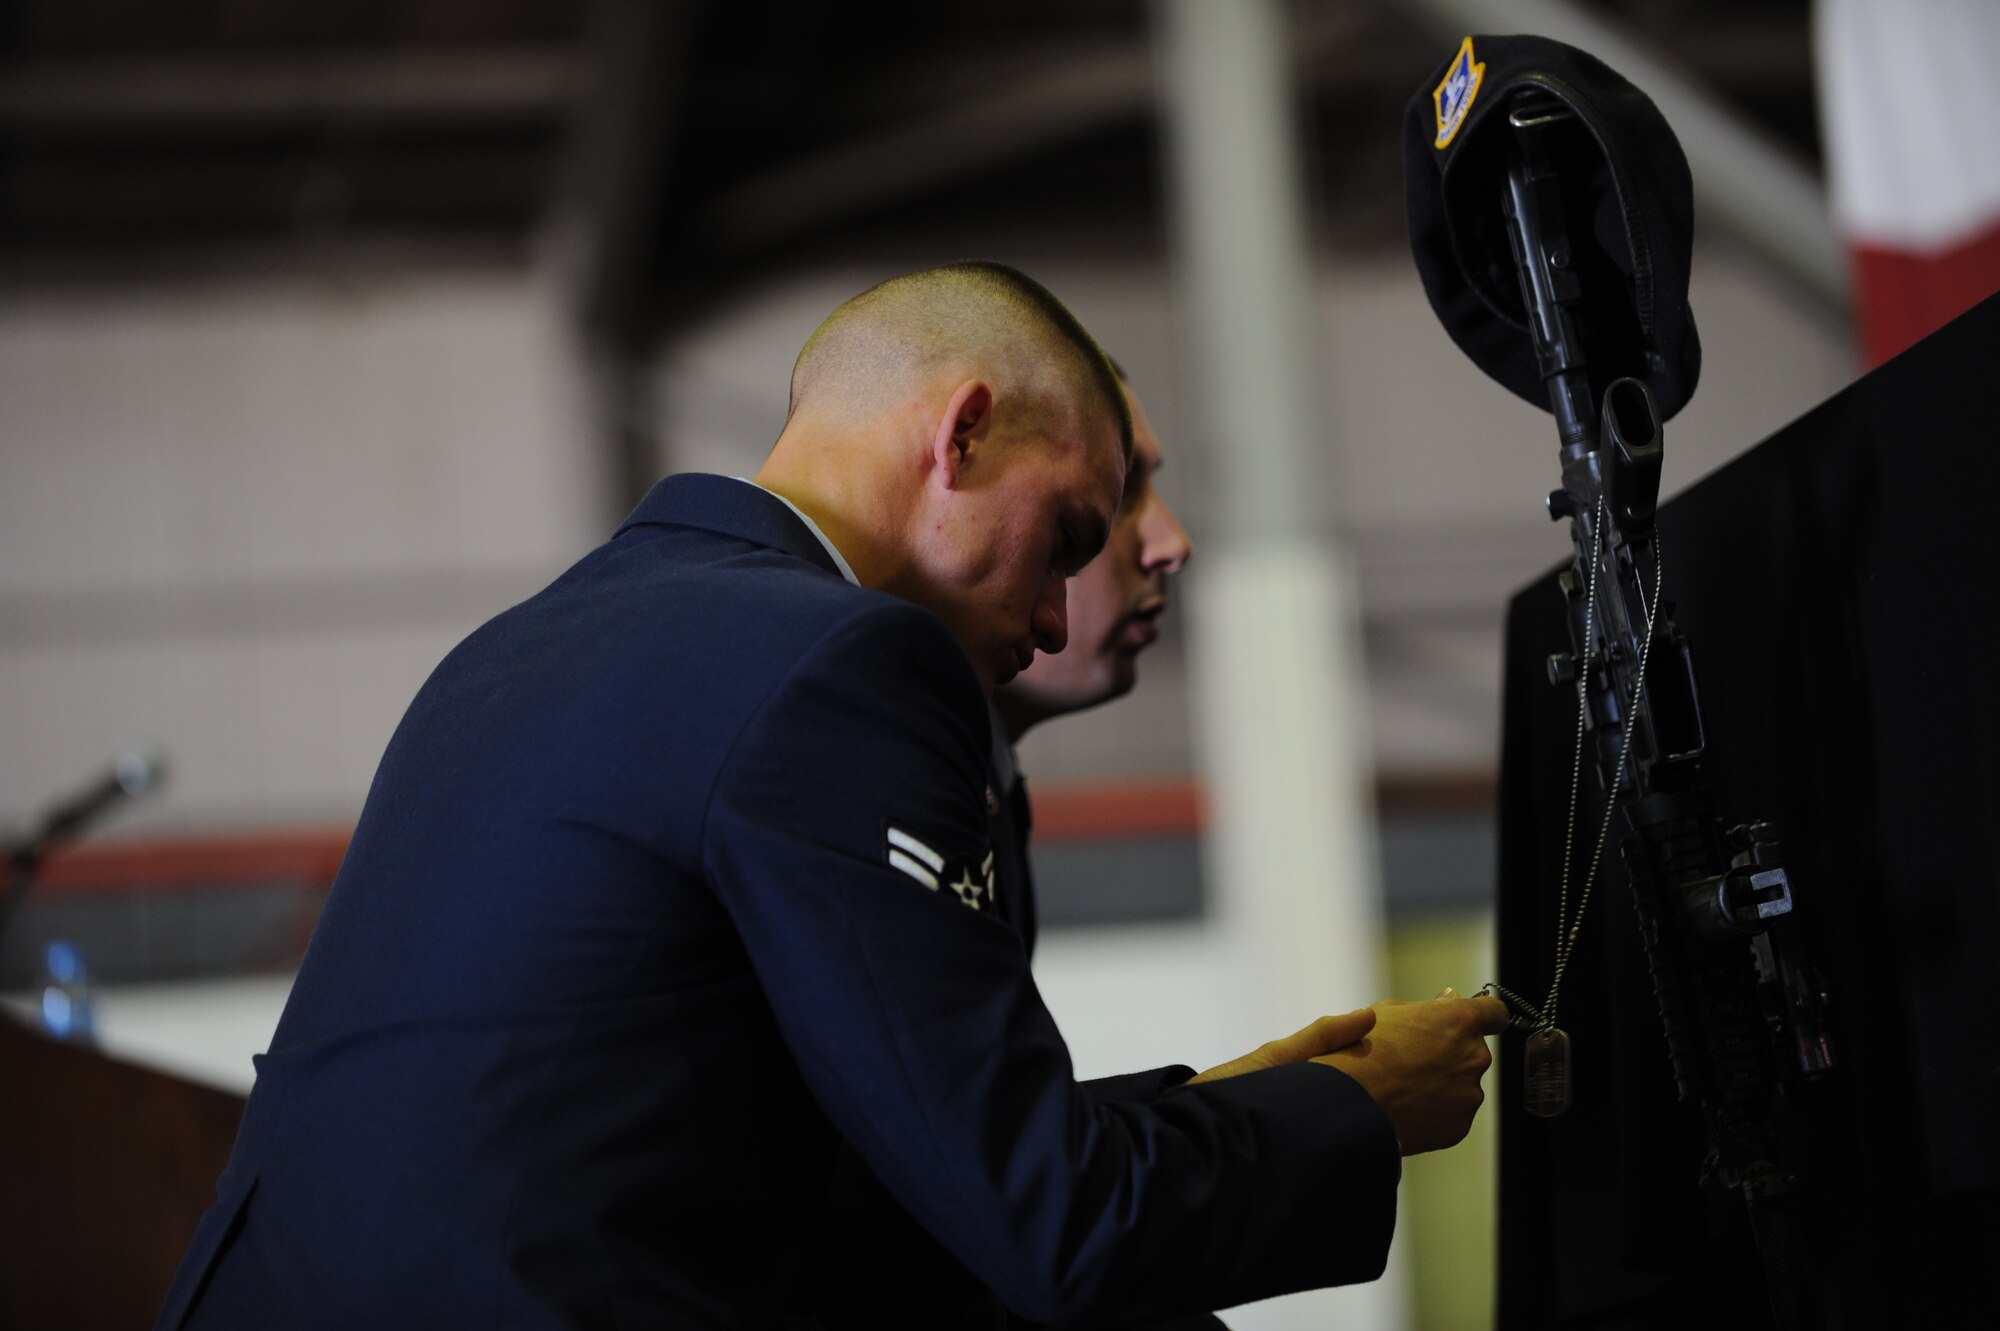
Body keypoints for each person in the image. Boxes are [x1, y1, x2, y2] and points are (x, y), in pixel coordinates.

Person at [156, 261, 1504, 1330]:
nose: (1052, 615)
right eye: (1069, 537)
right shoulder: (846, 659)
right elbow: (1048, 1228)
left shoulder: (524, 644)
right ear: (963, 434)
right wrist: (1359, 1113)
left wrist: (1233, 1098)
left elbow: (878, 1167)